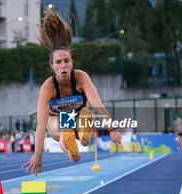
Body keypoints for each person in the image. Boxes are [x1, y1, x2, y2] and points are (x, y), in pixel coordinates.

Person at [22, 9, 121, 176]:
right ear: (52, 66)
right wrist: (37, 154)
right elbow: (41, 122)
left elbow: (97, 104)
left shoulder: (81, 78)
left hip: (80, 116)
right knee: (59, 129)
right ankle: (68, 139)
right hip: (58, 120)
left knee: (85, 117)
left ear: (72, 62)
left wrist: (111, 128)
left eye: (66, 61)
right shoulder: (48, 87)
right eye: (58, 62)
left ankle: (83, 130)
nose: (63, 66)